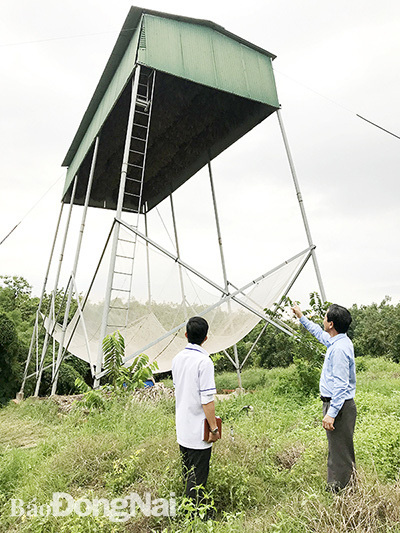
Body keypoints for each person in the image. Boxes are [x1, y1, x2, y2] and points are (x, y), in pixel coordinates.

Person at [292, 303, 356, 491]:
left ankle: (342, 493)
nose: (323, 319)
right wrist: (301, 317)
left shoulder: (339, 349)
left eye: (325, 317)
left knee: (340, 453)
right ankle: (338, 489)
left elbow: (341, 384)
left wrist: (331, 413)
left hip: (339, 406)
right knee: (337, 450)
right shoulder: (338, 341)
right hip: (338, 405)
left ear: (331, 324)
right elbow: (319, 334)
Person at [172, 316, 220, 503]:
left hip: (183, 428)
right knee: (198, 478)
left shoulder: (177, 359)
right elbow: (207, 401)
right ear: (206, 338)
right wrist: (214, 429)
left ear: (186, 335)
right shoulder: (204, 362)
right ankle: (193, 518)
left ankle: (187, 508)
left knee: (187, 472)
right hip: (199, 431)